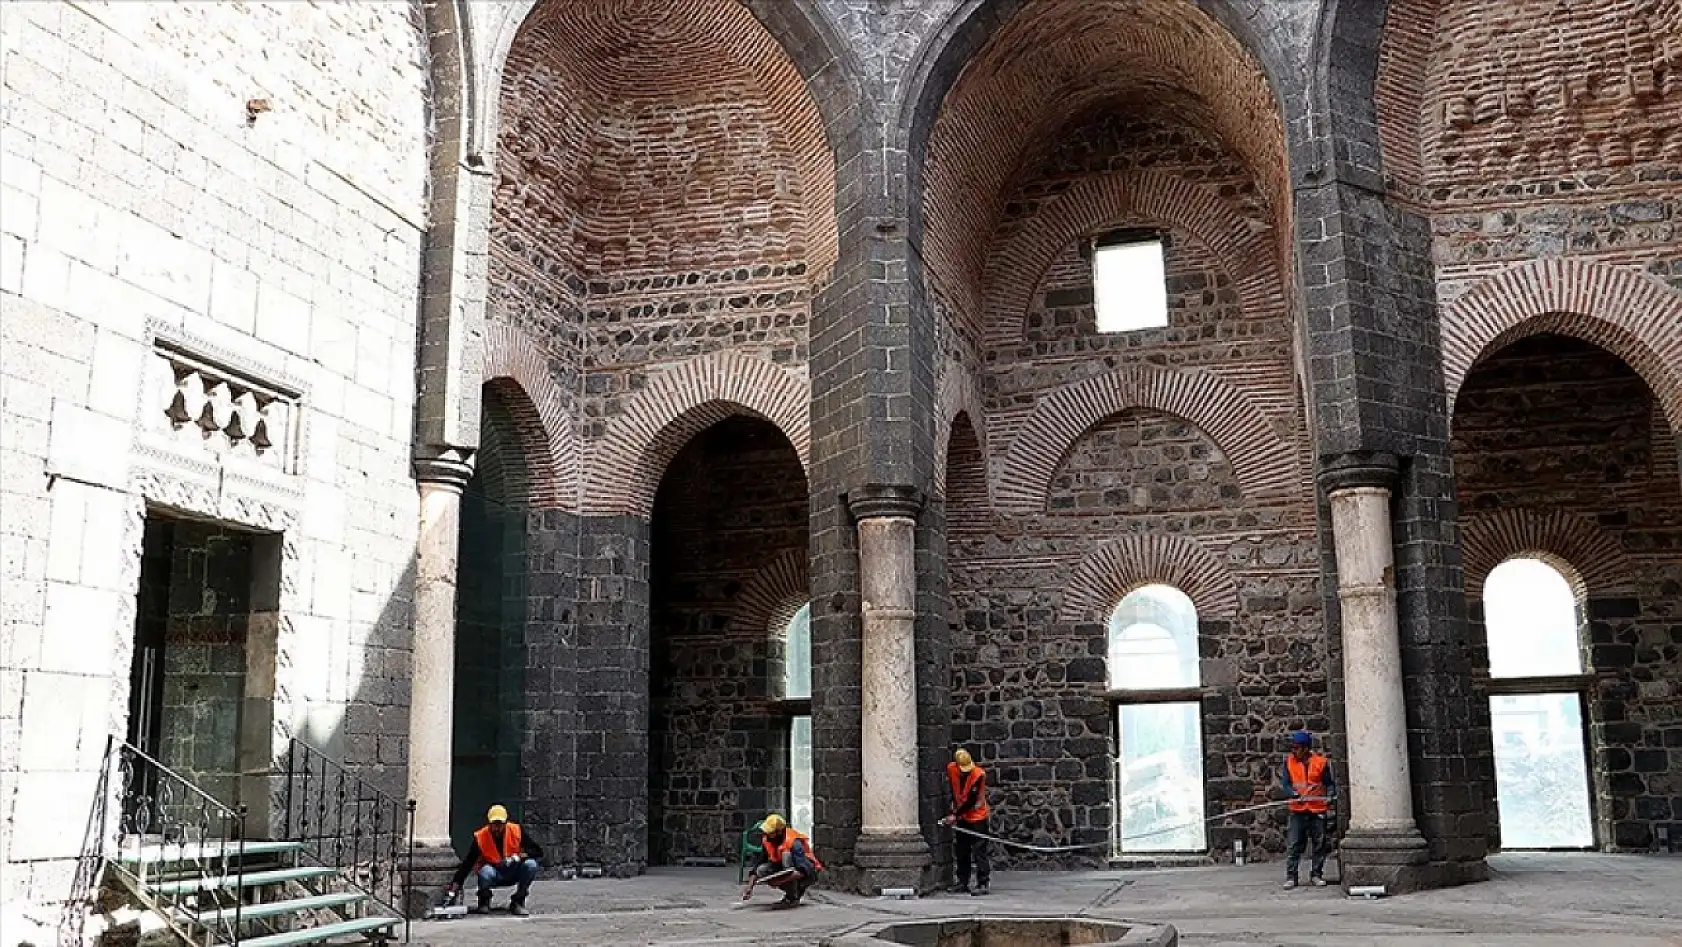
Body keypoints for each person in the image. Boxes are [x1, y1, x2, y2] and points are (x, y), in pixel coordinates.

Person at [445, 804, 545, 916]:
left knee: (531, 865)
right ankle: (484, 901)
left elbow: (537, 851)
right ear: (489, 823)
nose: (497, 827)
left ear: (506, 823)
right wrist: (455, 885)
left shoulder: (516, 830)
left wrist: (518, 857)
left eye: (500, 824)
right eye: (494, 824)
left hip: (514, 869)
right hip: (494, 872)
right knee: (485, 871)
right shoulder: (481, 836)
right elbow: (468, 862)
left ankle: (518, 901)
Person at [1278, 730, 1336, 890]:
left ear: (1305, 748)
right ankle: (1291, 876)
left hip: (1317, 809)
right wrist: (1293, 793)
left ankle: (1316, 874)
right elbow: (1286, 784)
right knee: (1294, 843)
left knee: (1319, 843)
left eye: (1296, 748)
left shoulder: (1320, 762)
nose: (1293, 751)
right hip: (1297, 809)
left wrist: (1330, 795)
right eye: (1292, 748)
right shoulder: (1288, 762)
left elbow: (1329, 784)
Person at [741, 813, 823, 908]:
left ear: (779, 832)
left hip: (808, 872)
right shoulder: (767, 840)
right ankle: (792, 895)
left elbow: (802, 871)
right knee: (761, 869)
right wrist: (750, 886)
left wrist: (780, 881)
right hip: (783, 868)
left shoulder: (793, 842)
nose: (766, 835)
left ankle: (792, 898)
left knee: (786, 856)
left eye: (770, 832)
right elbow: (758, 864)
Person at [939, 748, 991, 896]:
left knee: (979, 851)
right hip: (963, 817)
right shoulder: (952, 769)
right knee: (962, 850)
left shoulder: (978, 774)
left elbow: (971, 800)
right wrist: (953, 809)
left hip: (977, 817)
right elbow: (952, 789)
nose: (965, 772)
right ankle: (963, 882)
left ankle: (983, 882)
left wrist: (954, 815)